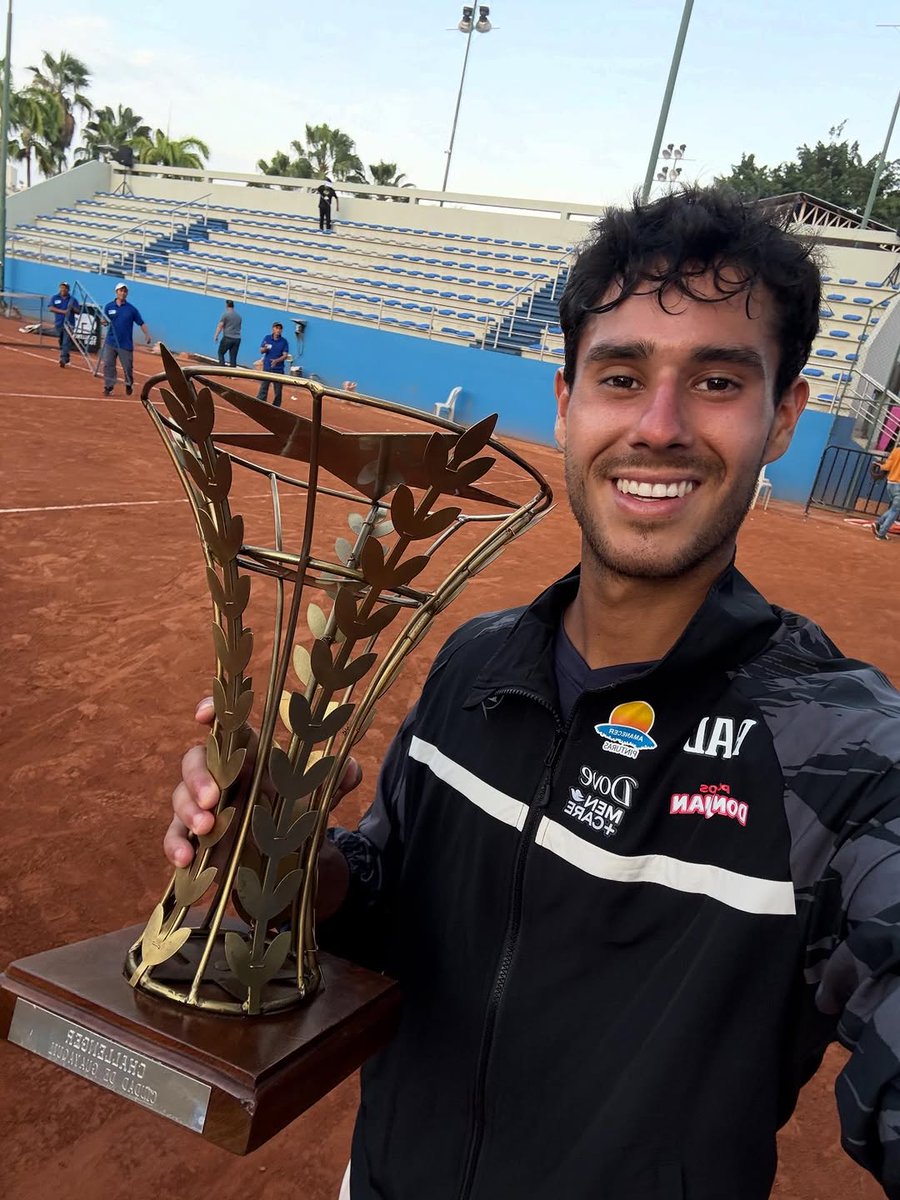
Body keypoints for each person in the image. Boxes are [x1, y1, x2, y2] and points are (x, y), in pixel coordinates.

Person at [166, 188, 900, 1200]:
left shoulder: (842, 753)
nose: (658, 426)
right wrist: (287, 857)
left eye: (717, 380)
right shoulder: (476, 664)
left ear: (783, 418)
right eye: (621, 375)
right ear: (564, 403)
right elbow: (382, 900)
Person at [101, 283, 151, 396]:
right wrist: (103, 322)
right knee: (108, 364)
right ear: (116, 292)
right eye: (120, 291)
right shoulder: (109, 307)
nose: (123, 293)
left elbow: (141, 323)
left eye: (125, 291)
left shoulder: (131, 309)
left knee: (127, 367)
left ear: (127, 293)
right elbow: (104, 320)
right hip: (111, 342)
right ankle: (109, 386)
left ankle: (128, 383)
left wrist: (147, 334)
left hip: (125, 344)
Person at [256, 321, 290, 407]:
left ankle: (276, 406)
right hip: (267, 367)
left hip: (278, 370)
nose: (278, 330)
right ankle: (260, 403)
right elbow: (261, 350)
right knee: (264, 387)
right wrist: (265, 348)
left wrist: (276, 361)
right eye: (276, 328)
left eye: (280, 328)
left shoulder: (284, 342)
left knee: (278, 390)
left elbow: (285, 355)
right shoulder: (267, 338)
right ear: (273, 329)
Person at [872, 441, 900, 540]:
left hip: (891, 483)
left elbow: (887, 467)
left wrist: (880, 466)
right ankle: (881, 533)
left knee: (894, 509)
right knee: (895, 510)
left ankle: (878, 523)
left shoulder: (896, 451)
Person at [48, 281, 79, 367]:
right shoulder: (55, 297)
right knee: (61, 341)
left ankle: (63, 359)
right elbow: (50, 308)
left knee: (66, 342)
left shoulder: (72, 300)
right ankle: (66, 358)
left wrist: (72, 308)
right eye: (62, 287)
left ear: (68, 289)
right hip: (59, 323)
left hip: (69, 324)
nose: (63, 289)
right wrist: (63, 312)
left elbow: (78, 311)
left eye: (65, 288)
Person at [214, 299, 242, 367]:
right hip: (237, 339)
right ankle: (232, 374)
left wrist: (216, 335)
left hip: (228, 337)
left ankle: (222, 368)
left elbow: (220, 326)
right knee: (233, 357)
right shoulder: (239, 316)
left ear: (226, 305)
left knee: (221, 353)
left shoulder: (225, 314)